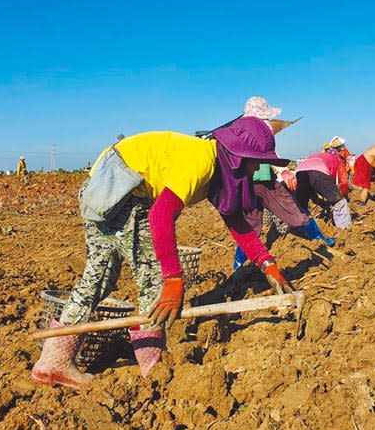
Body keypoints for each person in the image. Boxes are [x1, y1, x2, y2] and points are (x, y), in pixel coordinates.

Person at [31, 117, 295, 389]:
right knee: (155, 283)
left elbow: (234, 220)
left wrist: (266, 262)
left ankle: (52, 362)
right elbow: (161, 214)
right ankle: (153, 369)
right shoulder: (202, 160)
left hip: (101, 186)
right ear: (240, 155)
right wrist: (173, 280)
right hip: (122, 190)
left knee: (100, 276)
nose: (257, 168)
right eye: (256, 161)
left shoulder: (219, 165)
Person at [233, 97, 335, 271]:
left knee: (249, 226)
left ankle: (238, 264)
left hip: (245, 184)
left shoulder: (237, 130)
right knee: (293, 212)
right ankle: (320, 240)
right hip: (265, 182)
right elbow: (268, 153)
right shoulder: (261, 128)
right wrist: (284, 170)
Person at [294, 150, 351, 229]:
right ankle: (344, 228)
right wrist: (344, 196)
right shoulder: (337, 159)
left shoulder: (314, 156)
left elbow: (312, 187)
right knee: (340, 202)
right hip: (318, 172)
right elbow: (343, 182)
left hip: (300, 172)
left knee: (302, 205)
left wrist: (320, 202)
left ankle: (303, 229)